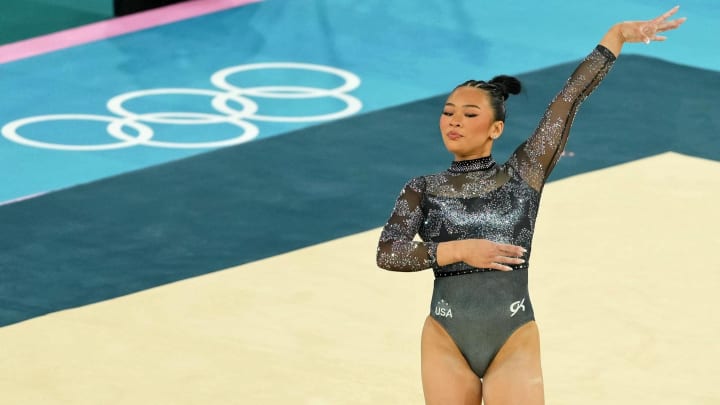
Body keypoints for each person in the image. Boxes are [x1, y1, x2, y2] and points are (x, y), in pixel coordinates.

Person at [376, 6, 685, 405]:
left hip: (512, 336)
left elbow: (569, 99)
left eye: (470, 114)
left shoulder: (522, 175)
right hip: (445, 336)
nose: (454, 121)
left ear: (495, 129)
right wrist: (457, 251)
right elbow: (388, 253)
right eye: (448, 112)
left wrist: (617, 37)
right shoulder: (423, 189)